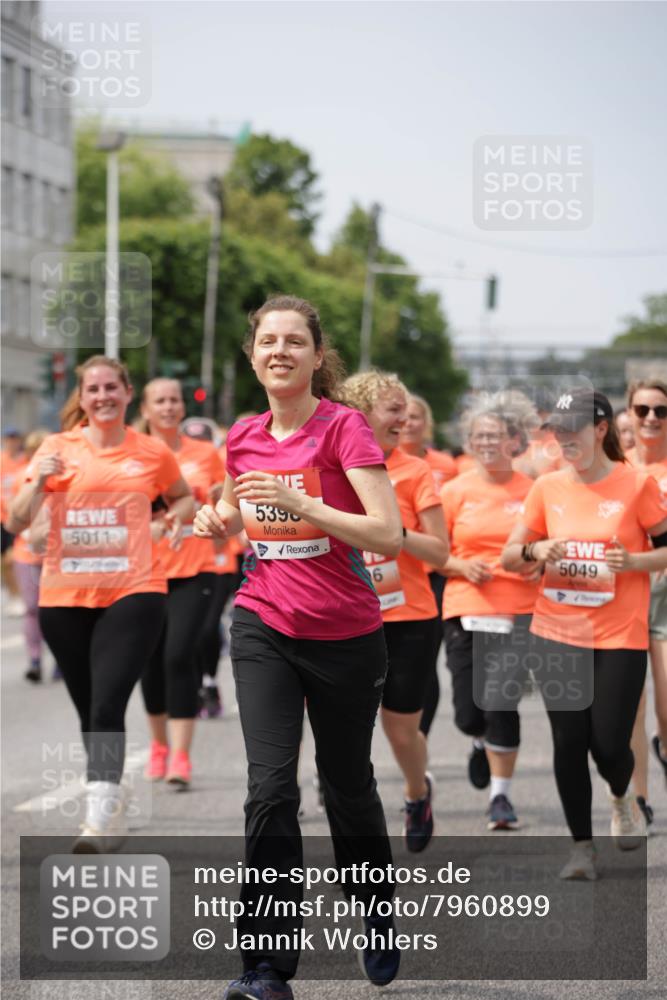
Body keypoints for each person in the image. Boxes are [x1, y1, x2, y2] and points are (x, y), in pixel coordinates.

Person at [194, 295, 403, 999]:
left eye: (293, 341)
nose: (279, 351)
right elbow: (236, 506)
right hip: (265, 623)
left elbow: (386, 532)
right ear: (253, 356)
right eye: (268, 341)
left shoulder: (343, 428)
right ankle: (265, 965)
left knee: (346, 785)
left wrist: (307, 505)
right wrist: (216, 518)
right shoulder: (244, 434)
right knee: (270, 788)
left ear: (316, 356)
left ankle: (374, 907)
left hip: (345, 634)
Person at [8, 356, 193, 852]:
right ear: (83, 397)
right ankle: (114, 794)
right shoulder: (56, 448)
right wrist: (40, 482)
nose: (103, 396)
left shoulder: (151, 451)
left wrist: (166, 522)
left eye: (112, 387)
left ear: (128, 393)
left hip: (135, 589)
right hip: (65, 594)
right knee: (90, 707)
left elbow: (183, 498)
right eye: (93, 389)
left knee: (108, 701)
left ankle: (96, 819)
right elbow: (17, 520)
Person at [502, 388, 667, 880]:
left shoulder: (635, 484)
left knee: (610, 745)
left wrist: (633, 561)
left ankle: (621, 796)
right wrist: (537, 551)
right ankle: (581, 848)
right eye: (558, 430)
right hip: (556, 630)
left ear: (600, 429)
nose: (565, 438)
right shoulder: (547, 487)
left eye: (574, 429)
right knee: (569, 741)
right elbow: (510, 555)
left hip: (620, 634)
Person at [340, 372, 448, 851]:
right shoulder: (333, 466)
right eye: (393, 409)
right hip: (347, 616)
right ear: (361, 413)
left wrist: (392, 533)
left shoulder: (415, 470)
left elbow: (440, 552)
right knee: (345, 730)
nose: (405, 419)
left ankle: (417, 791)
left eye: (406, 409)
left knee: (401, 731)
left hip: (409, 618)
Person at [440, 391, 540, 830]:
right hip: (465, 605)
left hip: (520, 608)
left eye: (495, 435)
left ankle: (501, 797)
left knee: (501, 699)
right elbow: (433, 551)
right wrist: (460, 566)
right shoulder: (454, 491)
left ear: (514, 440)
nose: (485, 442)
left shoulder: (534, 491)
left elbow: (550, 542)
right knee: (468, 713)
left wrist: (540, 564)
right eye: (478, 435)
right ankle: (478, 740)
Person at [138, 379, 223, 787]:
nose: (169, 407)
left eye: (174, 400)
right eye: (160, 401)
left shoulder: (205, 453)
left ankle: (181, 757)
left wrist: (220, 500)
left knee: (178, 656)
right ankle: (158, 746)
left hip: (194, 568)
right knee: (150, 661)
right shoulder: (135, 452)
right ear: (145, 409)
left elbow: (224, 504)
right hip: (143, 571)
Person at [399, 394, 457, 736]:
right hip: (394, 572)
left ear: (427, 423)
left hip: (436, 571)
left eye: (416, 416)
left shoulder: (446, 466)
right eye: (403, 416)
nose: (409, 423)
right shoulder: (377, 462)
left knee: (425, 659)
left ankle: (419, 736)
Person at [625, 379, 667, 829]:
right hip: (627, 598)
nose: (652, 418)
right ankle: (639, 799)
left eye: (661, 410)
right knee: (632, 706)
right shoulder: (616, 469)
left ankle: (665, 747)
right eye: (643, 410)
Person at [9, 428, 52, 682]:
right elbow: (12, 515)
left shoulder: (65, 476)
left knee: (55, 610)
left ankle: (60, 660)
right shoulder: (21, 478)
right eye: (34, 451)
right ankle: (34, 659)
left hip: (56, 555)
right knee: (32, 609)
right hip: (26, 553)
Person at [1, 426, 26, 615]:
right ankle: (13, 594)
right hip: (2, 517)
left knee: (12, 558)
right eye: (9, 439)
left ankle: (20, 595)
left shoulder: (25, 461)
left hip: (18, 518)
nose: (12, 442)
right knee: (4, 560)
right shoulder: (1, 461)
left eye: (15, 439)